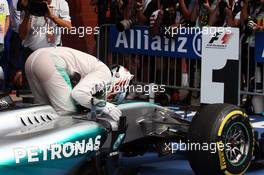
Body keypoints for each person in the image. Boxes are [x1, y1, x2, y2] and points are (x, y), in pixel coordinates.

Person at [25, 47, 133, 121]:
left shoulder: (96, 66)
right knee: (67, 114)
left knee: (43, 112)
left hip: (32, 58)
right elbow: (78, 94)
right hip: (49, 62)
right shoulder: (105, 74)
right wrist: (104, 106)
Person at [19, 0, 72, 88]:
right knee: (29, 91)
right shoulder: (30, 3)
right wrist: (28, 14)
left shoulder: (61, 3)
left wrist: (52, 16)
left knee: (54, 88)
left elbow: (68, 27)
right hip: (31, 53)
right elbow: (22, 35)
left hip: (53, 53)